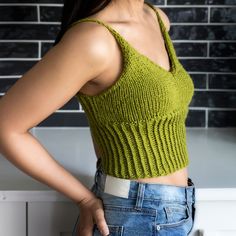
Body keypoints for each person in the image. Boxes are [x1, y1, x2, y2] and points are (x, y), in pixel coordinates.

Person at [0, 0, 196, 235]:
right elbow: (6, 126)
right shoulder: (94, 40)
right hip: (135, 215)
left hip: (177, 207)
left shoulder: (156, 18)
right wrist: (83, 199)